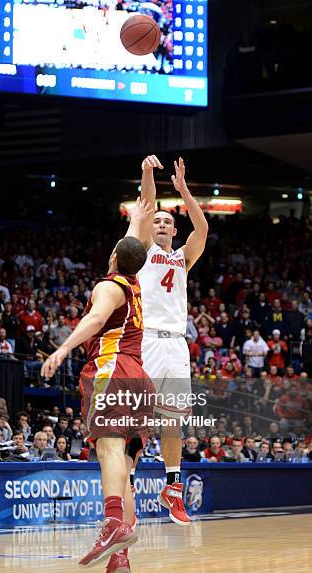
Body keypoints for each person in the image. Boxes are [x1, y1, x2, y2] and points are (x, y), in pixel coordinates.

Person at [41, 222, 155, 573]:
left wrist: (62, 349)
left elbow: (93, 319)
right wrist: (145, 192)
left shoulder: (109, 286)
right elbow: (134, 242)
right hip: (139, 376)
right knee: (123, 470)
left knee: (107, 450)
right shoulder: (135, 286)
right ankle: (119, 560)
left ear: (113, 258)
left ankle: (112, 523)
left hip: (111, 369)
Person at [127, 154, 208, 526]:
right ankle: (125, 488)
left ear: (174, 230)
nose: (160, 224)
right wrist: (147, 173)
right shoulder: (142, 253)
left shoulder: (183, 258)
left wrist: (184, 191)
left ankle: (172, 489)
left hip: (176, 345)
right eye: (157, 221)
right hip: (147, 342)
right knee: (137, 418)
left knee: (173, 422)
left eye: (167, 221)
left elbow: (202, 229)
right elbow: (144, 206)